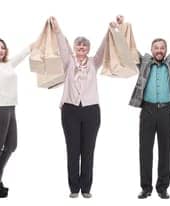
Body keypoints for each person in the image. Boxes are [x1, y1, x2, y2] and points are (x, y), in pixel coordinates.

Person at [117, 16, 170, 200]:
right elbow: (129, 49)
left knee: (166, 149)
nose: (159, 50)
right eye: (156, 47)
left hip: (167, 111)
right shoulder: (144, 62)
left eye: (162, 48)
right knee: (145, 149)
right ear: (151, 50)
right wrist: (121, 26)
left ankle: (162, 188)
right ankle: (146, 188)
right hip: (147, 111)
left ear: (166, 50)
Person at [41, 16, 106, 199]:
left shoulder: (94, 63)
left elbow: (103, 49)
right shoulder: (69, 62)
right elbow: (62, 45)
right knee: (72, 149)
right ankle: (73, 188)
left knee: (88, 150)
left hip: (91, 110)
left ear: (88, 49)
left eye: (85, 46)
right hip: (70, 110)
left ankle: (86, 187)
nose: (81, 49)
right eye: (79, 46)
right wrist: (57, 29)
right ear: (75, 48)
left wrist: (111, 30)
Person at [0, 37, 29, 198]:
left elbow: (25, 52)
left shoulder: (8, 64)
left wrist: (47, 29)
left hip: (10, 107)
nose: (0, 50)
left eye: (2, 47)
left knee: (12, 145)